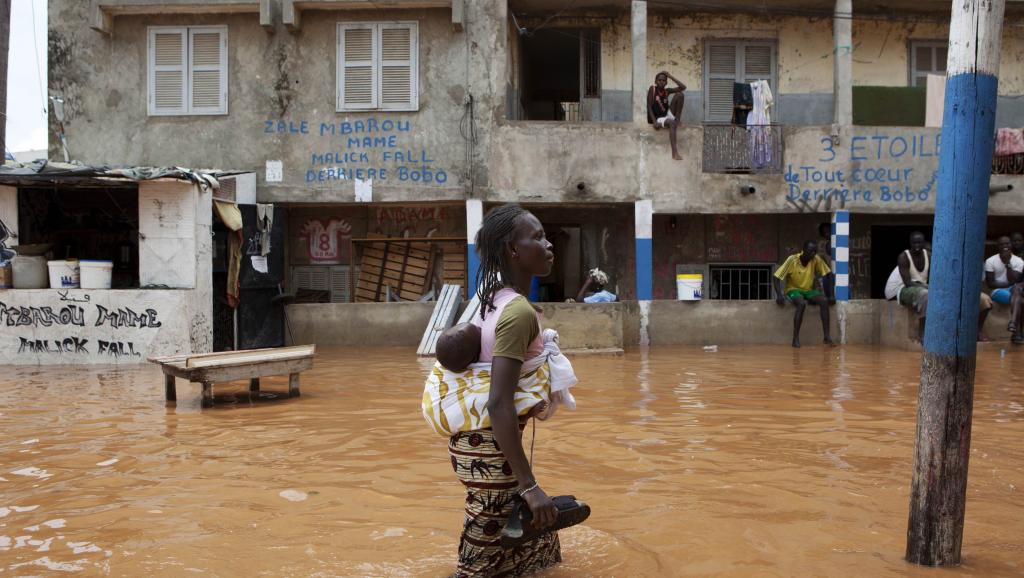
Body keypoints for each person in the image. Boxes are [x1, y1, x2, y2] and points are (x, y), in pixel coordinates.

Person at [423, 204, 577, 577]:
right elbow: (498, 402)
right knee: (478, 567)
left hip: (480, 448)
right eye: (537, 237)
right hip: (491, 455)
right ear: (512, 249)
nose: (549, 244)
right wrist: (529, 486)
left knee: (541, 545)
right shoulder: (517, 312)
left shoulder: (488, 301)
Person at [886, 231, 992, 341]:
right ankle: (923, 332)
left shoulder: (929, 255)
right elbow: (908, 283)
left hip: (921, 287)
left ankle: (975, 331)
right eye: (914, 243)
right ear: (910, 243)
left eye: (920, 243)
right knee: (926, 295)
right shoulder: (904, 257)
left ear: (923, 243)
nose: (917, 246)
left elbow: (937, 277)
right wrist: (930, 288)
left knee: (983, 298)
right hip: (902, 289)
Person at [773, 240, 835, 348]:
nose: (813, 254)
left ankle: (826, 337)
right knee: (801, 304)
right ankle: (795, 338)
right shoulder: (792, 260)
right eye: (811, 251)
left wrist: (831, 295)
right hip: (793, 290)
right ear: (804, 250)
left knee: (824, 301)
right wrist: (779, 295)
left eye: (815, 251)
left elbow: (829, 274)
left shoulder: (816, 259)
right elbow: (776, 277)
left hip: (808, 290)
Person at [647, 71, 686, 160]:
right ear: (656, 81)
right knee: (671, 123)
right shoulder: (652, 89)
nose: (661, 82)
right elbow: (649, 106)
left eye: (664, 80)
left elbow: (683, 87)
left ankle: (677, 120)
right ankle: (674, 153)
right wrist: (654, 121)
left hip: (666, 115)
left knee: (680, 95)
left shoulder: (667, 91)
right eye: (659, 80)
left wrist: (670, 76)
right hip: (658, 118)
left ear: (666, 82)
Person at [985, 236, 1023, 306]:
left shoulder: (1019, 261)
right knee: (1012, 297)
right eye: (1001, 244)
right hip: (997, 291)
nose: (1005, 246)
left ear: (1011, 245)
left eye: (1007, 243)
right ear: (998, 246)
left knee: (1017, 292)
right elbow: (990, 284)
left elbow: (1013, 280)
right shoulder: (990, 261)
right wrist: (1010, 284)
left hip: (1014, 289)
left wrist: (1007, 263)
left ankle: (1014, 316)